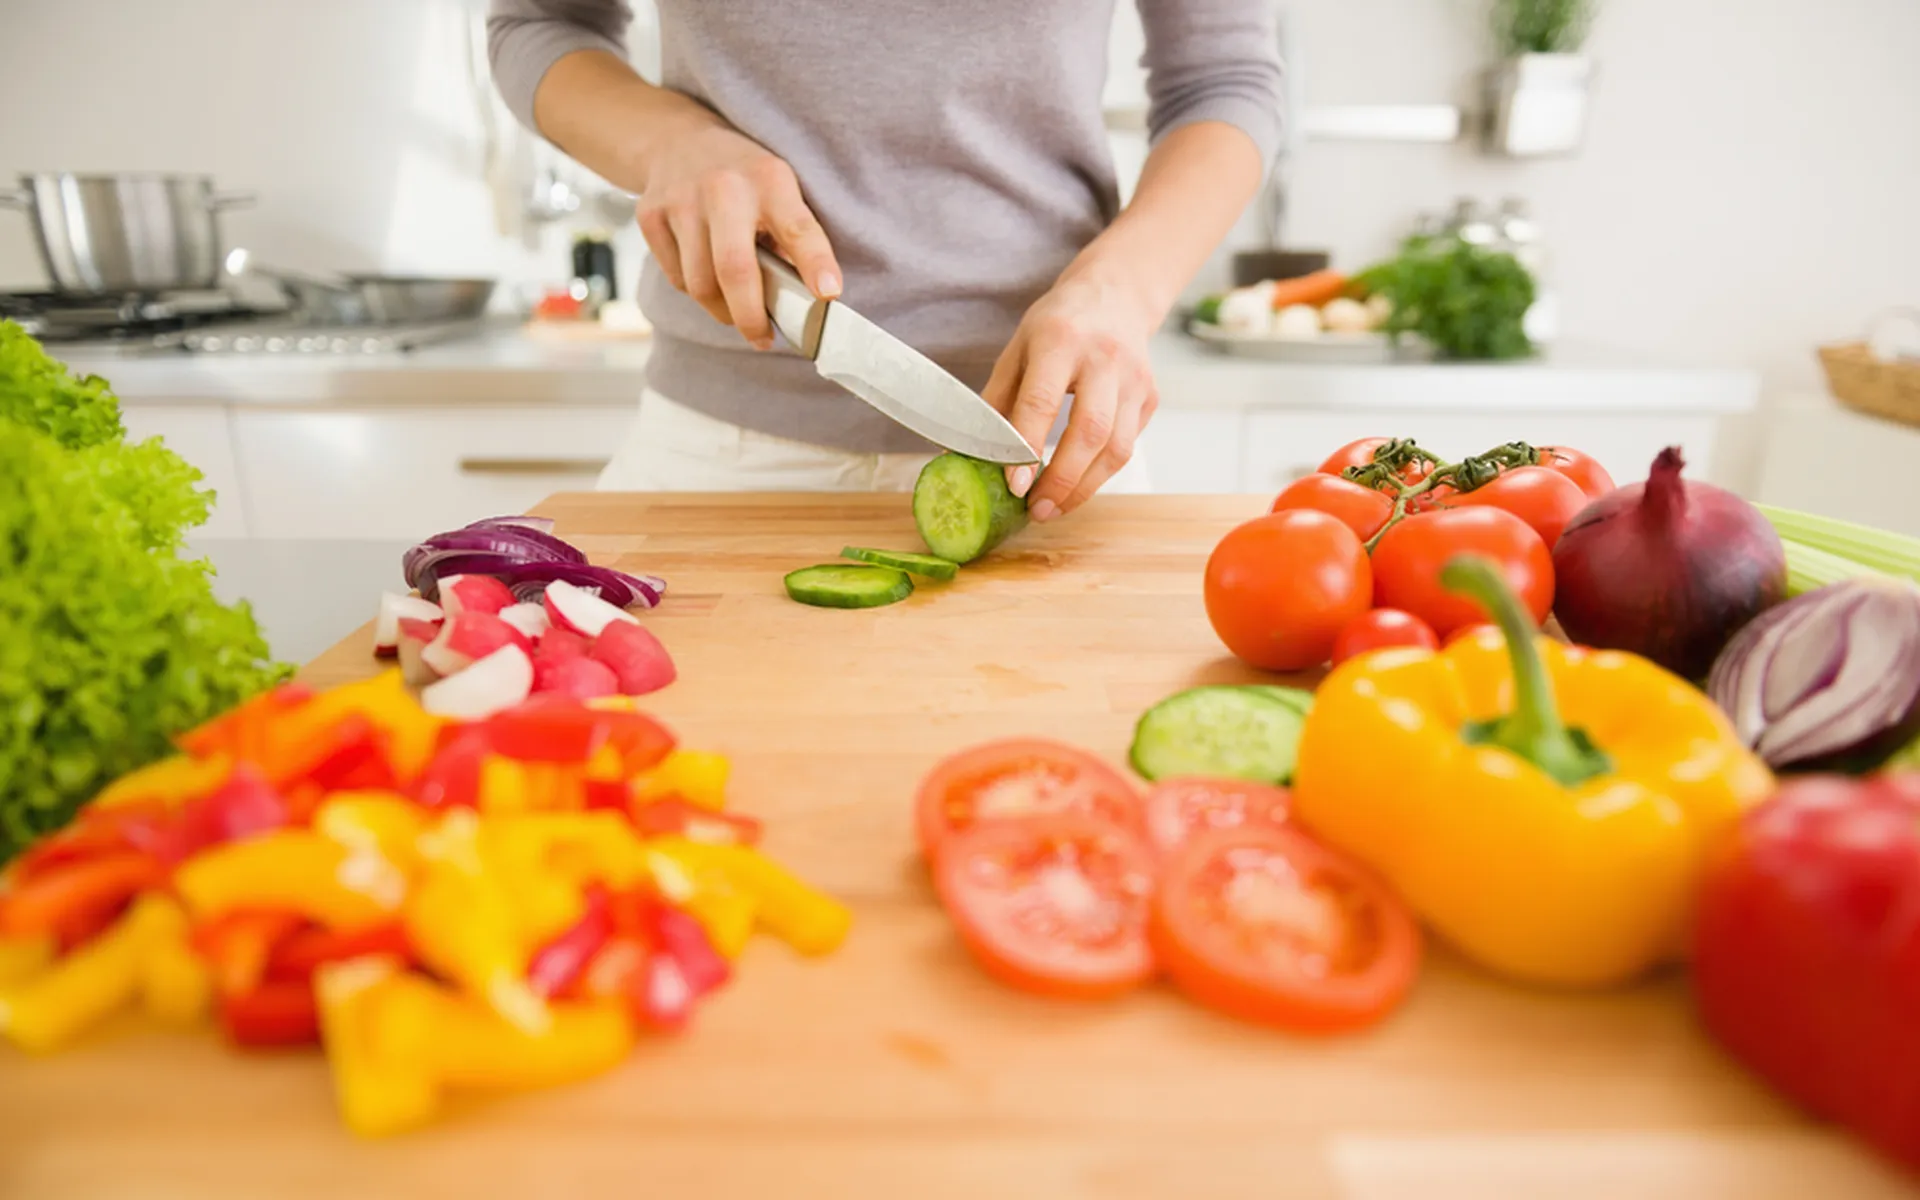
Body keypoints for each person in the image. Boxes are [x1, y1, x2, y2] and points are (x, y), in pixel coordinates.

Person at [488, 1, 1282, 521]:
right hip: (714, 456)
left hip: (1048, 459)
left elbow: (1226, 79)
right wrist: (671, 143)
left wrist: (1121, 289)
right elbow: (539, 22)